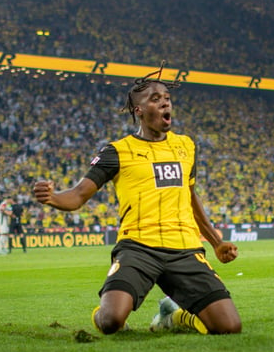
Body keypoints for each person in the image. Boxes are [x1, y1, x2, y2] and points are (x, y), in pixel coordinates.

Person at [33, 65, 242, 335]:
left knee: (229, 326)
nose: (165, 102)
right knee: (111, 322)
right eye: (155, 99)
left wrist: (216, 242)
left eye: (166, 97)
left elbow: (190, 197)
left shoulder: (185, 146)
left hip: (185, 249)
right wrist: (52, 197)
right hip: (139, 248)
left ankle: (175, 317)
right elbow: (78, 196)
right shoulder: (117, 151)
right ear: (138, 110)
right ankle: (105, 313)